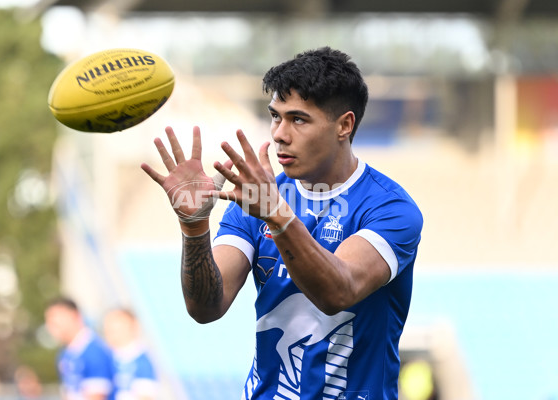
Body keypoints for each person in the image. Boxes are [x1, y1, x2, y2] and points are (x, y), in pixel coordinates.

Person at [141, 46, 423, 399]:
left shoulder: (389, 208)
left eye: (298, 119)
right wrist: (195, 227)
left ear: (344, 125)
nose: (279, 133)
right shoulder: (255, 200)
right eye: (275, 116)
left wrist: (277, 215)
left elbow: (338, 292)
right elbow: (205, 307)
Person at [44, 297, 115, 400]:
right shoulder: (64, 354)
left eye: (55, 322)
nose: (50, 327)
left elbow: (96, 397)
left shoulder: (95, 352)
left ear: (74, 315)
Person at [103, 308, 160, 400]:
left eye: (116, 329)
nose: (110, 333)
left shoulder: (142, 362)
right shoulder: (108, 358)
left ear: (132, 327)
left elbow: (145, 396)